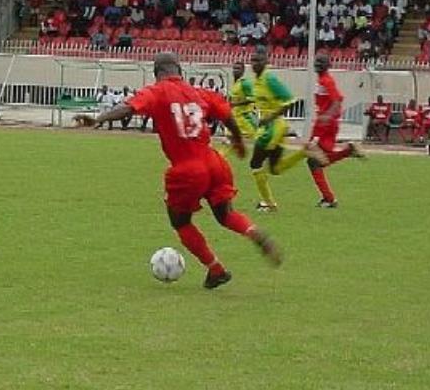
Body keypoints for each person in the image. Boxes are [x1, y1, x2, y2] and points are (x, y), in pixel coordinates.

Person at [73, 52, 282, 289]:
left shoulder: (157, 91)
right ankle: (253, 232)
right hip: (214, 161)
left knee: (180, 221)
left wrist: (98, 119)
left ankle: (216, 269)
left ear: (157, 73)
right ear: (179, 71)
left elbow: (127, 107)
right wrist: (238, 141)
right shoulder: (197, 92)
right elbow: (226, 115)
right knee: (225, 215)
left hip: (187, 169)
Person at [249, 50, 328, 212]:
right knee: (275, 168)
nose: (254, 64)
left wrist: (270, 117)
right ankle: (304, 152)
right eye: (252, 61)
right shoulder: (256, 81)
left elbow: (290, 100)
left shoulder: (269, 79)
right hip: (271, 127)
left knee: (255, 164)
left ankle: (269, 204)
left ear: (265, 62)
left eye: (258, 60)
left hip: (273, 128)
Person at [307, 54, 365, 208]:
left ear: (328, 65)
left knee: (314, 160)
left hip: (325, 124)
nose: (318, 64)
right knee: (316, 159)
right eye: (317, 62)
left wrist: (328, 116)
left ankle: (329, 199)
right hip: (323, 123)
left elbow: (338, 99)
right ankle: (347, 151)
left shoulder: (327, 80)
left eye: (322, 62)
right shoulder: (322, 80)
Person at [229, 61, 258, 140]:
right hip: (235, 117)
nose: (235, 70)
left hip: (245, 118)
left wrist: (235, 104)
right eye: (234, 68)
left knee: (250, 141)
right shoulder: (235, 84)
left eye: (238, 68)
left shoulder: (245, 83)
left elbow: (253, 98)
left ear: (243, 71)